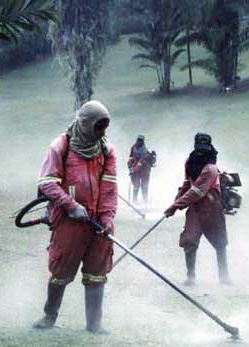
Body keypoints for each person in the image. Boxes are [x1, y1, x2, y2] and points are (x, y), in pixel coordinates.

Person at [33, 100, 118, 333]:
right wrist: (71, 205)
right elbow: (47, 183)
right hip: (70, 221)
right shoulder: (61, 145)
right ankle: (49, 317)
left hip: (98, 222)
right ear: (86, 123)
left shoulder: (106, 149)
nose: (101, 132)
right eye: (97, 126)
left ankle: (94, 324)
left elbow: (110, 188)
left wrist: (107, 218)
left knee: (97, 272)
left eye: (104, 127)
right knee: (61, 269)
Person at [164, 132, 231, 285]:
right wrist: (176, 200)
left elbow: (197, 191)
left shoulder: (211, 169)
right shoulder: (189, 162)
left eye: (204, 149)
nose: (201, 152)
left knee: (220, 243)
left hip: (212, 207)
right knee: (189, 241)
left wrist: (176, 206)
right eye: (199, 149)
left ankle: (224, 277)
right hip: (195, 209)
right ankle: (191, 277)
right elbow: (188, 184)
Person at [128, 135, 154, 204]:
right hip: (136, 167)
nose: (139, 142)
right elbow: (131, 157)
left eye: (141, 140)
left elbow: (140, 162)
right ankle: (134, 201)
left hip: (145, 168)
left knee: (144, 185)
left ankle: (145, 201)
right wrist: (129, 166)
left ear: (143, 141)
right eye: (138, 140)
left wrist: (133, 170)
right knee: (136, 184)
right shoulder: (133, 148)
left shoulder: (144, 150)